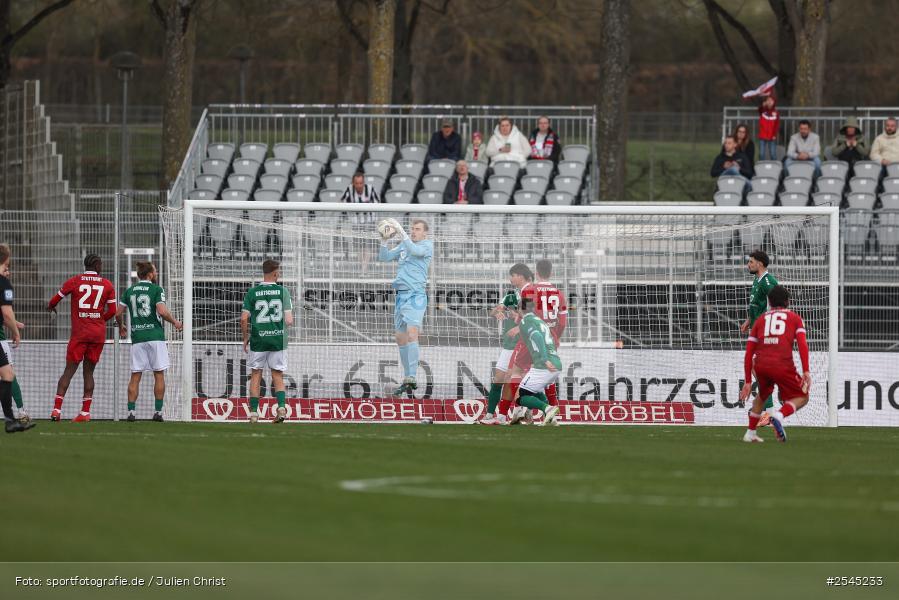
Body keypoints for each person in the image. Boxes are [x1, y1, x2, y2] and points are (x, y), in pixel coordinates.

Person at [47, 253, 120, 422]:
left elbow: (55, 299)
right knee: (89, 372)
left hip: (79, 334)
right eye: (100, 265)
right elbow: (113, 311)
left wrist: (51, 307)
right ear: (97, 266)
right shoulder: (107, 285)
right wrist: (99, 319)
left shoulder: (75, 281)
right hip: (97, 334)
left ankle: (56, 410)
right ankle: (85, 413)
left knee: (69, 371)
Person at [739, 285, 811, 443]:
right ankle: (778, 416)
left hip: (761, 365)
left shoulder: (760, 320)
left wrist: (748, 381)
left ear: (769, 302)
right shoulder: (794, 318)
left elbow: (749, 352)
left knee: (761, 397)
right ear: (787, 301)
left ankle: (750, 434)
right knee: (802, 396)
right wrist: (806, 370)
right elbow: (802, 344)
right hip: (782, 364)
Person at [117, 261, 183, 422]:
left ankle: (131, 412)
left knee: (135, 375)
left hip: (137, 337)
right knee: (159, 374)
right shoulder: (156, 289)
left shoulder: (130, 291)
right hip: (155, 336)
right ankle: (158, 412)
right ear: (150, 274)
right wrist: (174, 321)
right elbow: (161, 310)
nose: (157, 273)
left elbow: (117, 313)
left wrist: (121, 326)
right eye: (155, 271)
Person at [377, 218, 434, 397]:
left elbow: (414, 250)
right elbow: (384, 257)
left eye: (417, 229)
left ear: (425, 232)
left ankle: (411, 376)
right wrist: (384, 241)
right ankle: (407, 376)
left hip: (416, 295)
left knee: (412, 333)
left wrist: (400, 230)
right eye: (412, 229)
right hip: (401, 296)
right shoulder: (404, 245)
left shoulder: (426, 246)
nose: (413, 231)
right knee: (400, 338)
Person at [241, 259, 294, 424]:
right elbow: (289, 320)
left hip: (259, 340)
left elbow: (244, 318)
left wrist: (245, 338)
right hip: (278, 339)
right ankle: (281, 408)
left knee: (256, 374)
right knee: (277, 375)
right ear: (276, 273)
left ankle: (254, 414)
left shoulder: (252, 292)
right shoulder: (283, 291)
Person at [507, 294, 562, 427]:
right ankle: (551, 419)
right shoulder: (540, 321)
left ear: (520, 309)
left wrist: (544, 359)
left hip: (544, 365)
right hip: (556, 363)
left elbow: (537, 337)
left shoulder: (525, 321)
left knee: (521, 396)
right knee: (534, 391)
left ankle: (547, 409)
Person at [739, 249, 779, 425]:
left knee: (758, 369)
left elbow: (780, 301)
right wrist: (749, 320)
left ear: (760, 264)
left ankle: (769, 414)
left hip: (765, 332)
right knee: (757, 369)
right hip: (757, 330)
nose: (748, 264)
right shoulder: (757, 280)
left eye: (751, 262)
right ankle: (769, 413)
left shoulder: (768, 281)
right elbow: (758, 305)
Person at [0, 244, 35, 433]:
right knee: (8, 375)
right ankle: (18, 415)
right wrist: (15, 331)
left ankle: (10, 420)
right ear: (6, 260)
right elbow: (6, 312)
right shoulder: (4, 284)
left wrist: (13, 323)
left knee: (7, 374)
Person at [495, 263, 534, 421]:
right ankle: (518, 412)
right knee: (516, 376)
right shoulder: (520, 292)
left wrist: (518, 328)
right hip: (527, 340)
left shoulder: (528, 291)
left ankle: (520, 411)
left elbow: (530, 316)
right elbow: (526, 314)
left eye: (512, 275)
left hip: (526, 340)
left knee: (516, 376)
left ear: (520, 276)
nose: (510, 278)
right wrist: (513, 316)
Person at [478, 291, 520, 425]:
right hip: (508, 346)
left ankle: (505, 415)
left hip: (522, 346)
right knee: (498, 380)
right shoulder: (510, 296)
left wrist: (518, 317)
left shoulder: (531, 296)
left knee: (512, 381)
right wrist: (498, 311)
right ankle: (490, 414)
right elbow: (494, 311)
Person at [756, 94, 780, 161]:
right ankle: (761, 167)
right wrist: (762, 106)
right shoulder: (763, 110)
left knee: (773, 154)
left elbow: (777, 125)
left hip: (772, 136)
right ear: (765, 101)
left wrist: (774, 135)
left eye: (771, 100)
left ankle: (775, 167)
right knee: (761, 153)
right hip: (762, 135)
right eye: (768, 100)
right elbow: (759, 110)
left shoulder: (776, 112)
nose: (769, 102)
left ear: (774, 102)